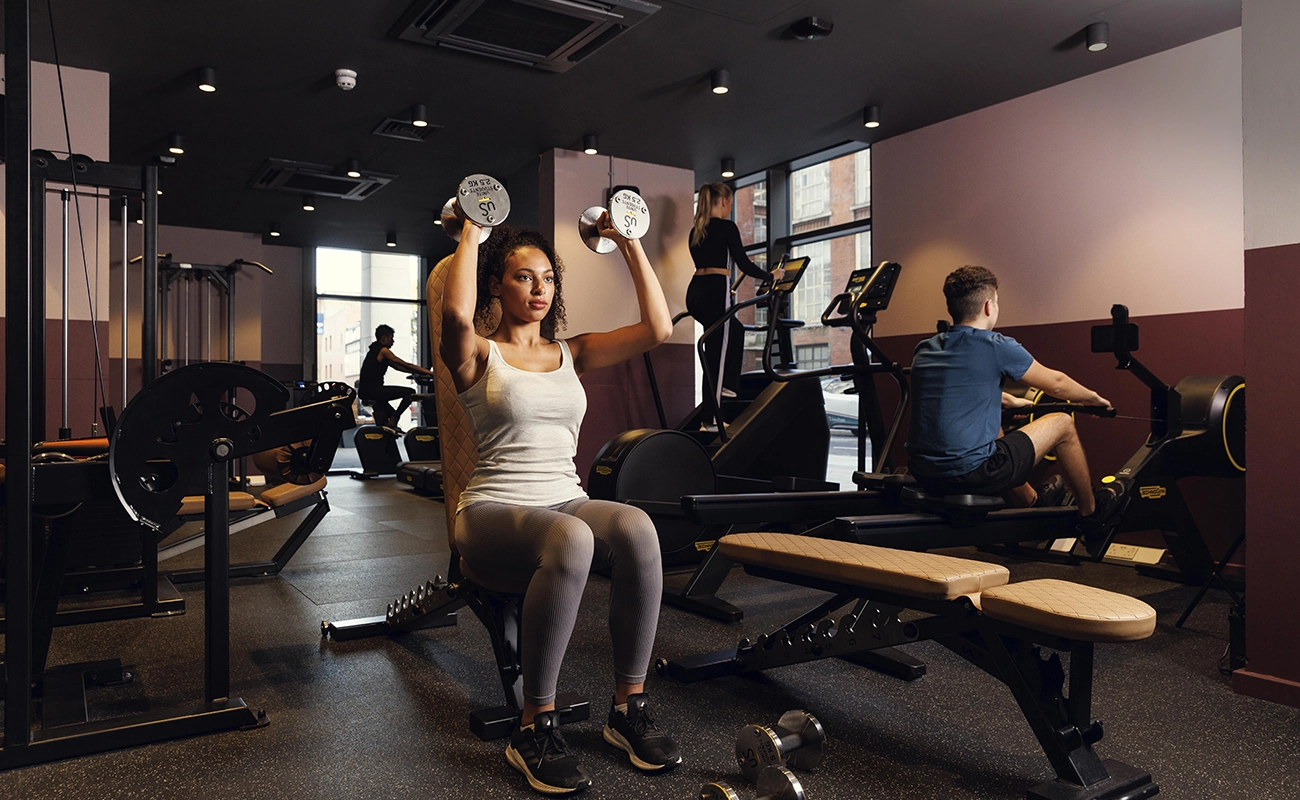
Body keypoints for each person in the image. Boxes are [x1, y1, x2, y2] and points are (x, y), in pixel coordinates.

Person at [437, 211, 678, 795]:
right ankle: (534, 726)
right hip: (490, 510)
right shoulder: (476, 354)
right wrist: (472, 231)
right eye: (523, 277)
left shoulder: (574, 352)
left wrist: (629, 242)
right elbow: (453, 312)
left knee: (638, 527)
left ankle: (628, 707)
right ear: (498, 284)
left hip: (563, 498)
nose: (539, 288)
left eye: (547, 278)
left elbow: (659, 328)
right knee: (569, 538)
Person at [906, 266, 1125, 551]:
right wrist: (1093, 399)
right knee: (1061, 423)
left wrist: (1009, 401)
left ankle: (1031, 501)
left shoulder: (925, 348)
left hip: (923, 471)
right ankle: (1092, 514)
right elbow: (1056, 384)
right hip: (971, 474)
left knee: (994, 432)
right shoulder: (995, 345)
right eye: (997, 301)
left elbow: (955, 391)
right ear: (988, 306)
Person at [687, 182, 771, 401]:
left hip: (695, 293)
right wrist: (772, 276)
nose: (729, 209)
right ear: (724, 201)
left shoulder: (696, 231)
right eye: (730, 204)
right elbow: (744, 264)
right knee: (717, 355)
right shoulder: (727, 227)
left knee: (735, 331)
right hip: (715, 291)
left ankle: (728, 386)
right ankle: (712, 418)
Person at [357, 324, 435, 431]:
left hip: (366, 391)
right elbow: (406, 365)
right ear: (384, 338)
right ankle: (394, 419)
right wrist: (431, 374)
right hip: (373, 391)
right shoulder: (383, 351)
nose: (393, 341)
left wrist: (420, 373)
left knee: (390, 415)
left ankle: (390, 424)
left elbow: (399, 367)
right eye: (391, 338)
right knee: (410, 393)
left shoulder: (374, 350)